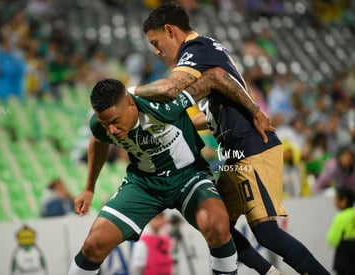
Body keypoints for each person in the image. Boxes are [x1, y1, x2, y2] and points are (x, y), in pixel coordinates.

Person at [132, 2, 329, 274]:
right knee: (216, 223)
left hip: (251, 147)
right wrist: (174, 124)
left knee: (267, 232)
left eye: (156, 42)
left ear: (170, 30)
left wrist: (129, 92)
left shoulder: (197, 49)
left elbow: (170, 87)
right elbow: (211, 114)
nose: (156, 50)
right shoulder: (206, 51)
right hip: (234, 153)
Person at [68, 79, 238, 275]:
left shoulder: (162, 106)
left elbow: (209, 81)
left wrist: (252, 112)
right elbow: (98, 141)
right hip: (143, 185)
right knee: (94, 244)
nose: (111, 130)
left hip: (188, 176)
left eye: (115, 121)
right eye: (104, 124)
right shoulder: (102, 125)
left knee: (217, 226)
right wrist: (89, 188)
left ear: (131, 103)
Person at [327, 186, 355, 275]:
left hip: (345, 258)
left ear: (344, 201)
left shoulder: (340, 218)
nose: (334, 201)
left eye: (336, 198)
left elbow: (332, 240)